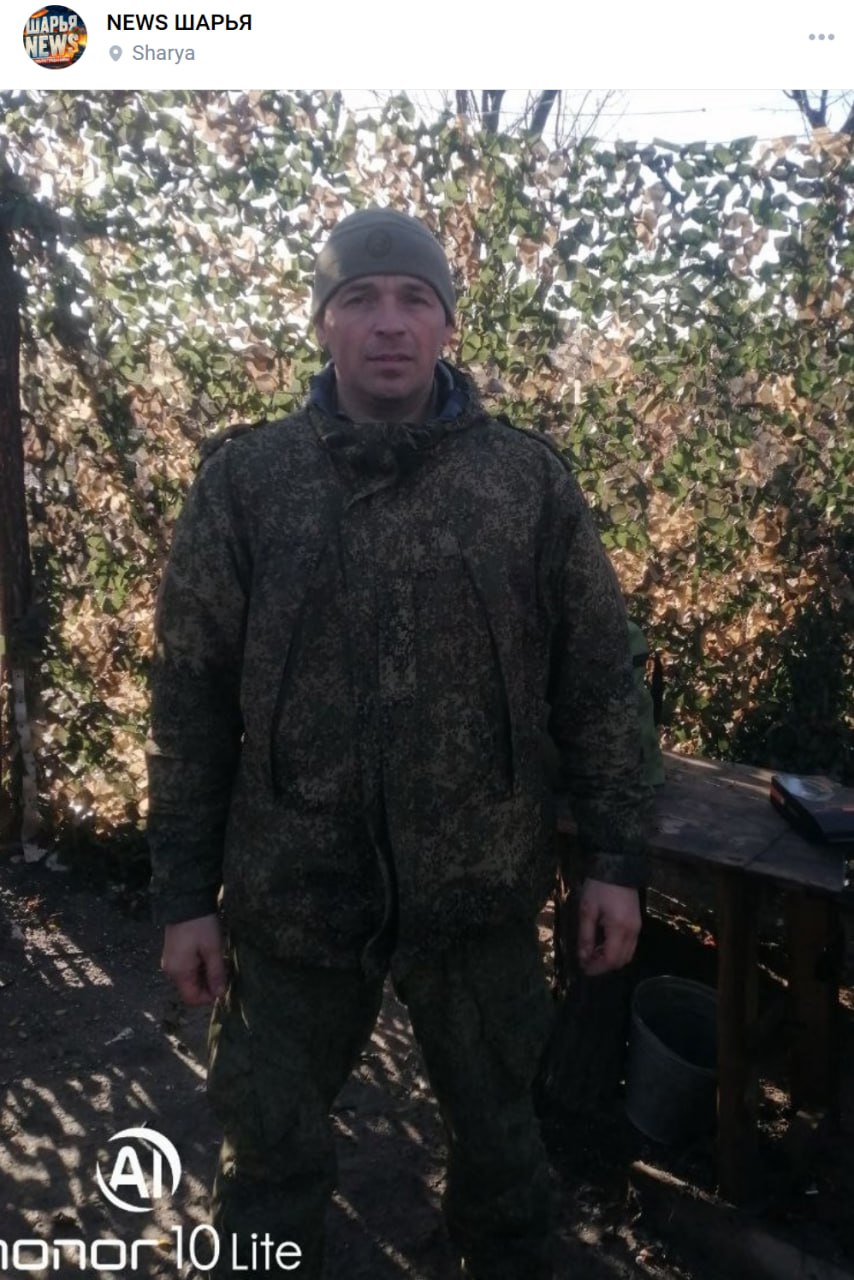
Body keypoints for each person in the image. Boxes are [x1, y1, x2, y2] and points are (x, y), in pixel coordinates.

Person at [148, 206, 651, 1280]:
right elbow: (188, 697)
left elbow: (600, 680)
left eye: (414, 299)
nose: (388, 322)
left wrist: (614, 860)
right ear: (323, 324)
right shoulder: (247, 482)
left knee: (506, 1161)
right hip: (293, 897)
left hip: (479, 896)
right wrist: (185, 894)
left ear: (446, 325)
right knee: (268, 1161)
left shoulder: (524, 482)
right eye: (359, 299)